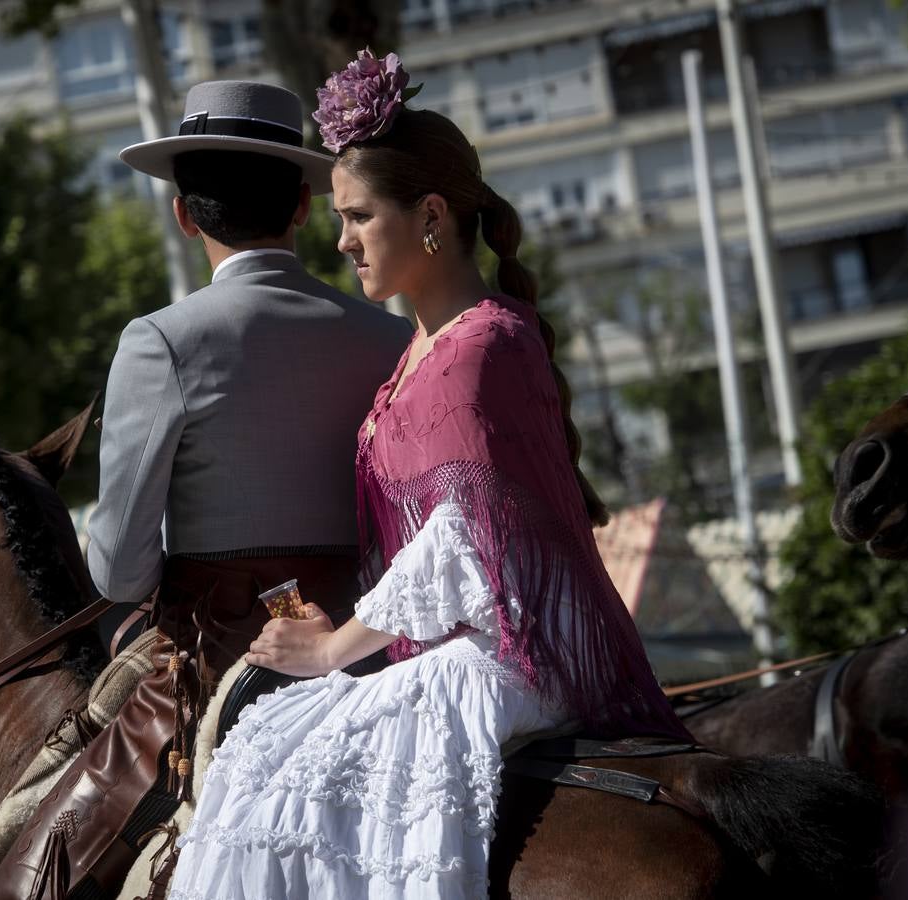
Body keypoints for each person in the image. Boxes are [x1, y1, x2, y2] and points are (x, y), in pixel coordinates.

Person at [168, 51, 691, 899]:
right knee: (269, 744)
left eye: (359, 217)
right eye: (337, 216)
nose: (339, 241)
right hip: (456, 646)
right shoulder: (421, 351)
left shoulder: (480, 347)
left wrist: (337, 644)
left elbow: (465, 541)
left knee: (272, 756)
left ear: (432, 216)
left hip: (508, 657)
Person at [89, 79, 412, 681]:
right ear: (303, 207)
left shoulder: (159, 341)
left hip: (222, 667)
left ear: (183, 215)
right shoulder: (394, 340)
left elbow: (119, 575)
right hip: (377, 657)